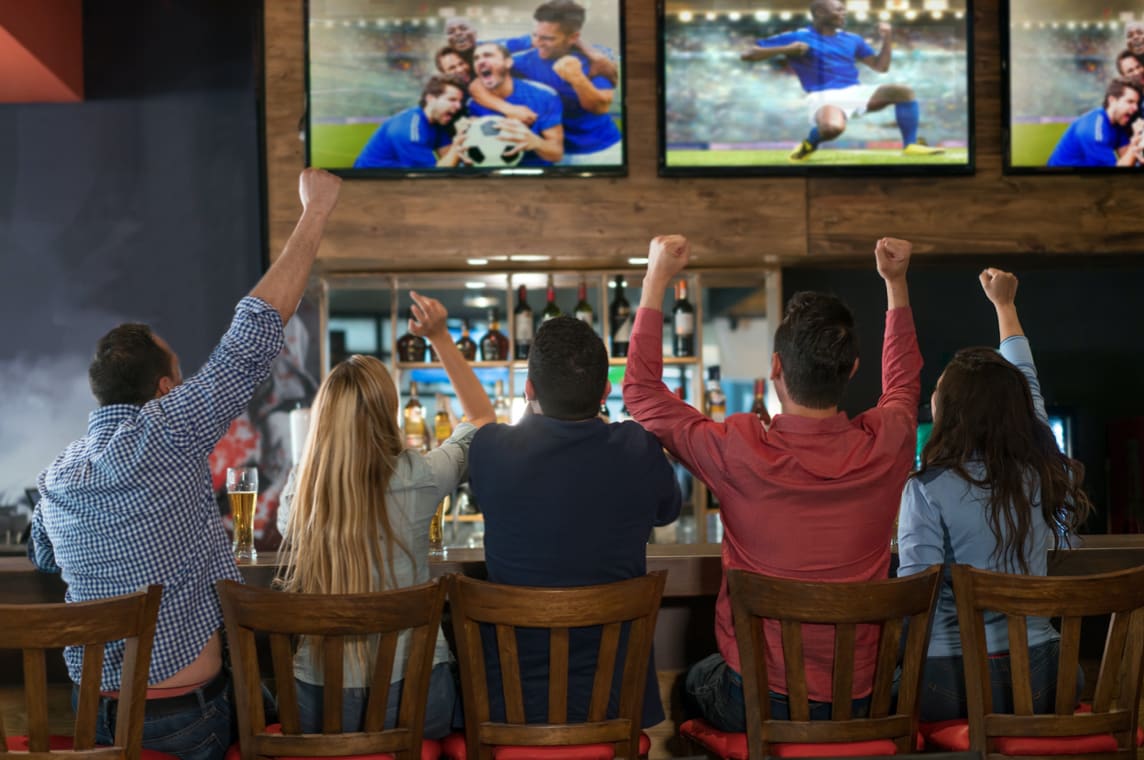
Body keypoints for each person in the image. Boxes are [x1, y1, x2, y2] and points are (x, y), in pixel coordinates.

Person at [28, 168, 343, 760]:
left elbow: (44, 556)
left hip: (92, 721)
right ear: (168, 388)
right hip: (184, 719)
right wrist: (315, 213)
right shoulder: (169, 429)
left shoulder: (58, 475)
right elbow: (252, 334)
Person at [623, 234, 921, 731]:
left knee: (687, 683)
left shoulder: (739, 449)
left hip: (759, 702)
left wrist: (656, 277)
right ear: (851, 369)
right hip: (864, 701)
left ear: (776, 369)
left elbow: (641, 392)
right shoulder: (888, 443)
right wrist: (896, 283)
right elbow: (905, 382)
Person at [276, 292, 496, 737]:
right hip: (415, 700)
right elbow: (483, 420)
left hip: (317, 705)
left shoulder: (302, 489)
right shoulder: (422, 474)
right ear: (389, 413)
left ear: (325, 417)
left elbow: (289, 532)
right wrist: (439, 337)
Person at [896, 268, 1092, 721]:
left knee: (885, 685)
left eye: (939, 395)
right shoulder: (1041, 469)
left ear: (949, 414)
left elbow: (914, 600)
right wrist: (1005, 306)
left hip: (952, 686)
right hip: (1050, 679)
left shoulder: (926, 491)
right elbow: (1028, 383)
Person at [467, 316, 681, 729]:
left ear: (528, 389)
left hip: (508, 710)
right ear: (605, 391)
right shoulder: (637, 447)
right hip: (617, 705)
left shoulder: (490, 448)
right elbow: (669, 510)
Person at [741, 0, 944, 161]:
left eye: (844, 10)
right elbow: (747, 54)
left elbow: (881, 67)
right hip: (824, 96)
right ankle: (810, 144)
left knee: (903, 91)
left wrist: (888, 38)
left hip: (855, 91)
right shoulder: (797, 36)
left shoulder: (852, 38)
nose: (844, 13)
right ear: (820, 13)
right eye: (839, 9)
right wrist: (787, 49)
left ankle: (910, 145)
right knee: (832, 129)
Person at [510, 0, 623, 166]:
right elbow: (478, 82)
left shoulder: (596, 58)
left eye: (547, 38)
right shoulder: (521, 61)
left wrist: (576, 78)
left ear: (573, 38)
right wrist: (507, 108)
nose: (537, 42)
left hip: (600, 150)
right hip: (552, 152)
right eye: (535, 35)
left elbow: (600, 107)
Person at [468, 42, 565, 165]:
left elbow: (557, 153)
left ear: (508, 62)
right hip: (491, 177)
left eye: (488, 55)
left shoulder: (544, 96)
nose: (480, 61)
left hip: (535, 175)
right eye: (476, 58)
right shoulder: (472, 104)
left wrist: (535, 142)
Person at [353, 75, 468, 169]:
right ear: (430, 99)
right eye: (452, 99)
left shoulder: (439, 120)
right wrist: (456, 147)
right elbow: (435, 177)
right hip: (369, 184)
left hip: (395, 182)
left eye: (459, 101)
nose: (458, 106)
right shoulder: (410, 131)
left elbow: (448, 158)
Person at [1047, 78, 1143, 167]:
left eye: (1136, 103)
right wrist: (1135, 144)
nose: (1136, 108)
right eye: (1130, 102)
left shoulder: (1119, 122)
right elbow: (1116, 175)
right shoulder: (1094, 131)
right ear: (1112, 101)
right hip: (1060, 181)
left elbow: (1129, 160)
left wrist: (1137, 139)